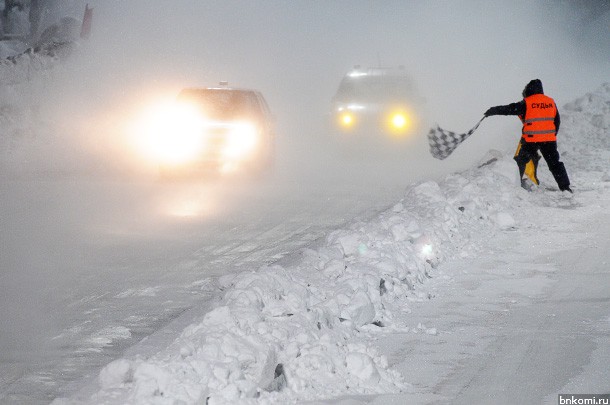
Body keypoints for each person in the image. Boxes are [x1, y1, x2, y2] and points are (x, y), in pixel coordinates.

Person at [484, 79, 572, 193]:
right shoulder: (550, 102)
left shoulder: (527, 102)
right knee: (555, 164)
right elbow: (557, 121)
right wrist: (551, 134)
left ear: (529, 90)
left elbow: (510, 109)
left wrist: (493, 110)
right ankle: (565, 187)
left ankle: (516, 184)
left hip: (531, 139)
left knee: (520, 160)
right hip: (549, 140)